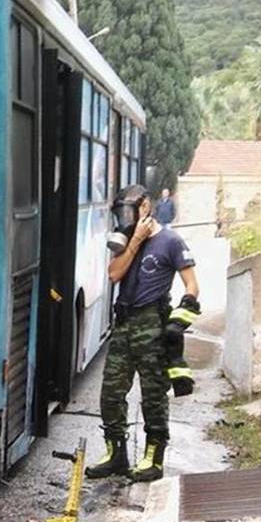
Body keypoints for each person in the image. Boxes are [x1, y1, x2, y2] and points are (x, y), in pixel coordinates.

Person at [86, 184, 199, 483]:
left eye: (130, 210)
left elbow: (192, 286)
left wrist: (178, 323)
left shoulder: (171, 241)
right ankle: (116, 454)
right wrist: (134, 240)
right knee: (110, 394)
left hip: (153, 326)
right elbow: (114, 274)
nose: (125, 217)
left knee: (153, 395)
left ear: (146, 206)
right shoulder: (127, 241)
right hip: (123, 325)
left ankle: (153, 459)